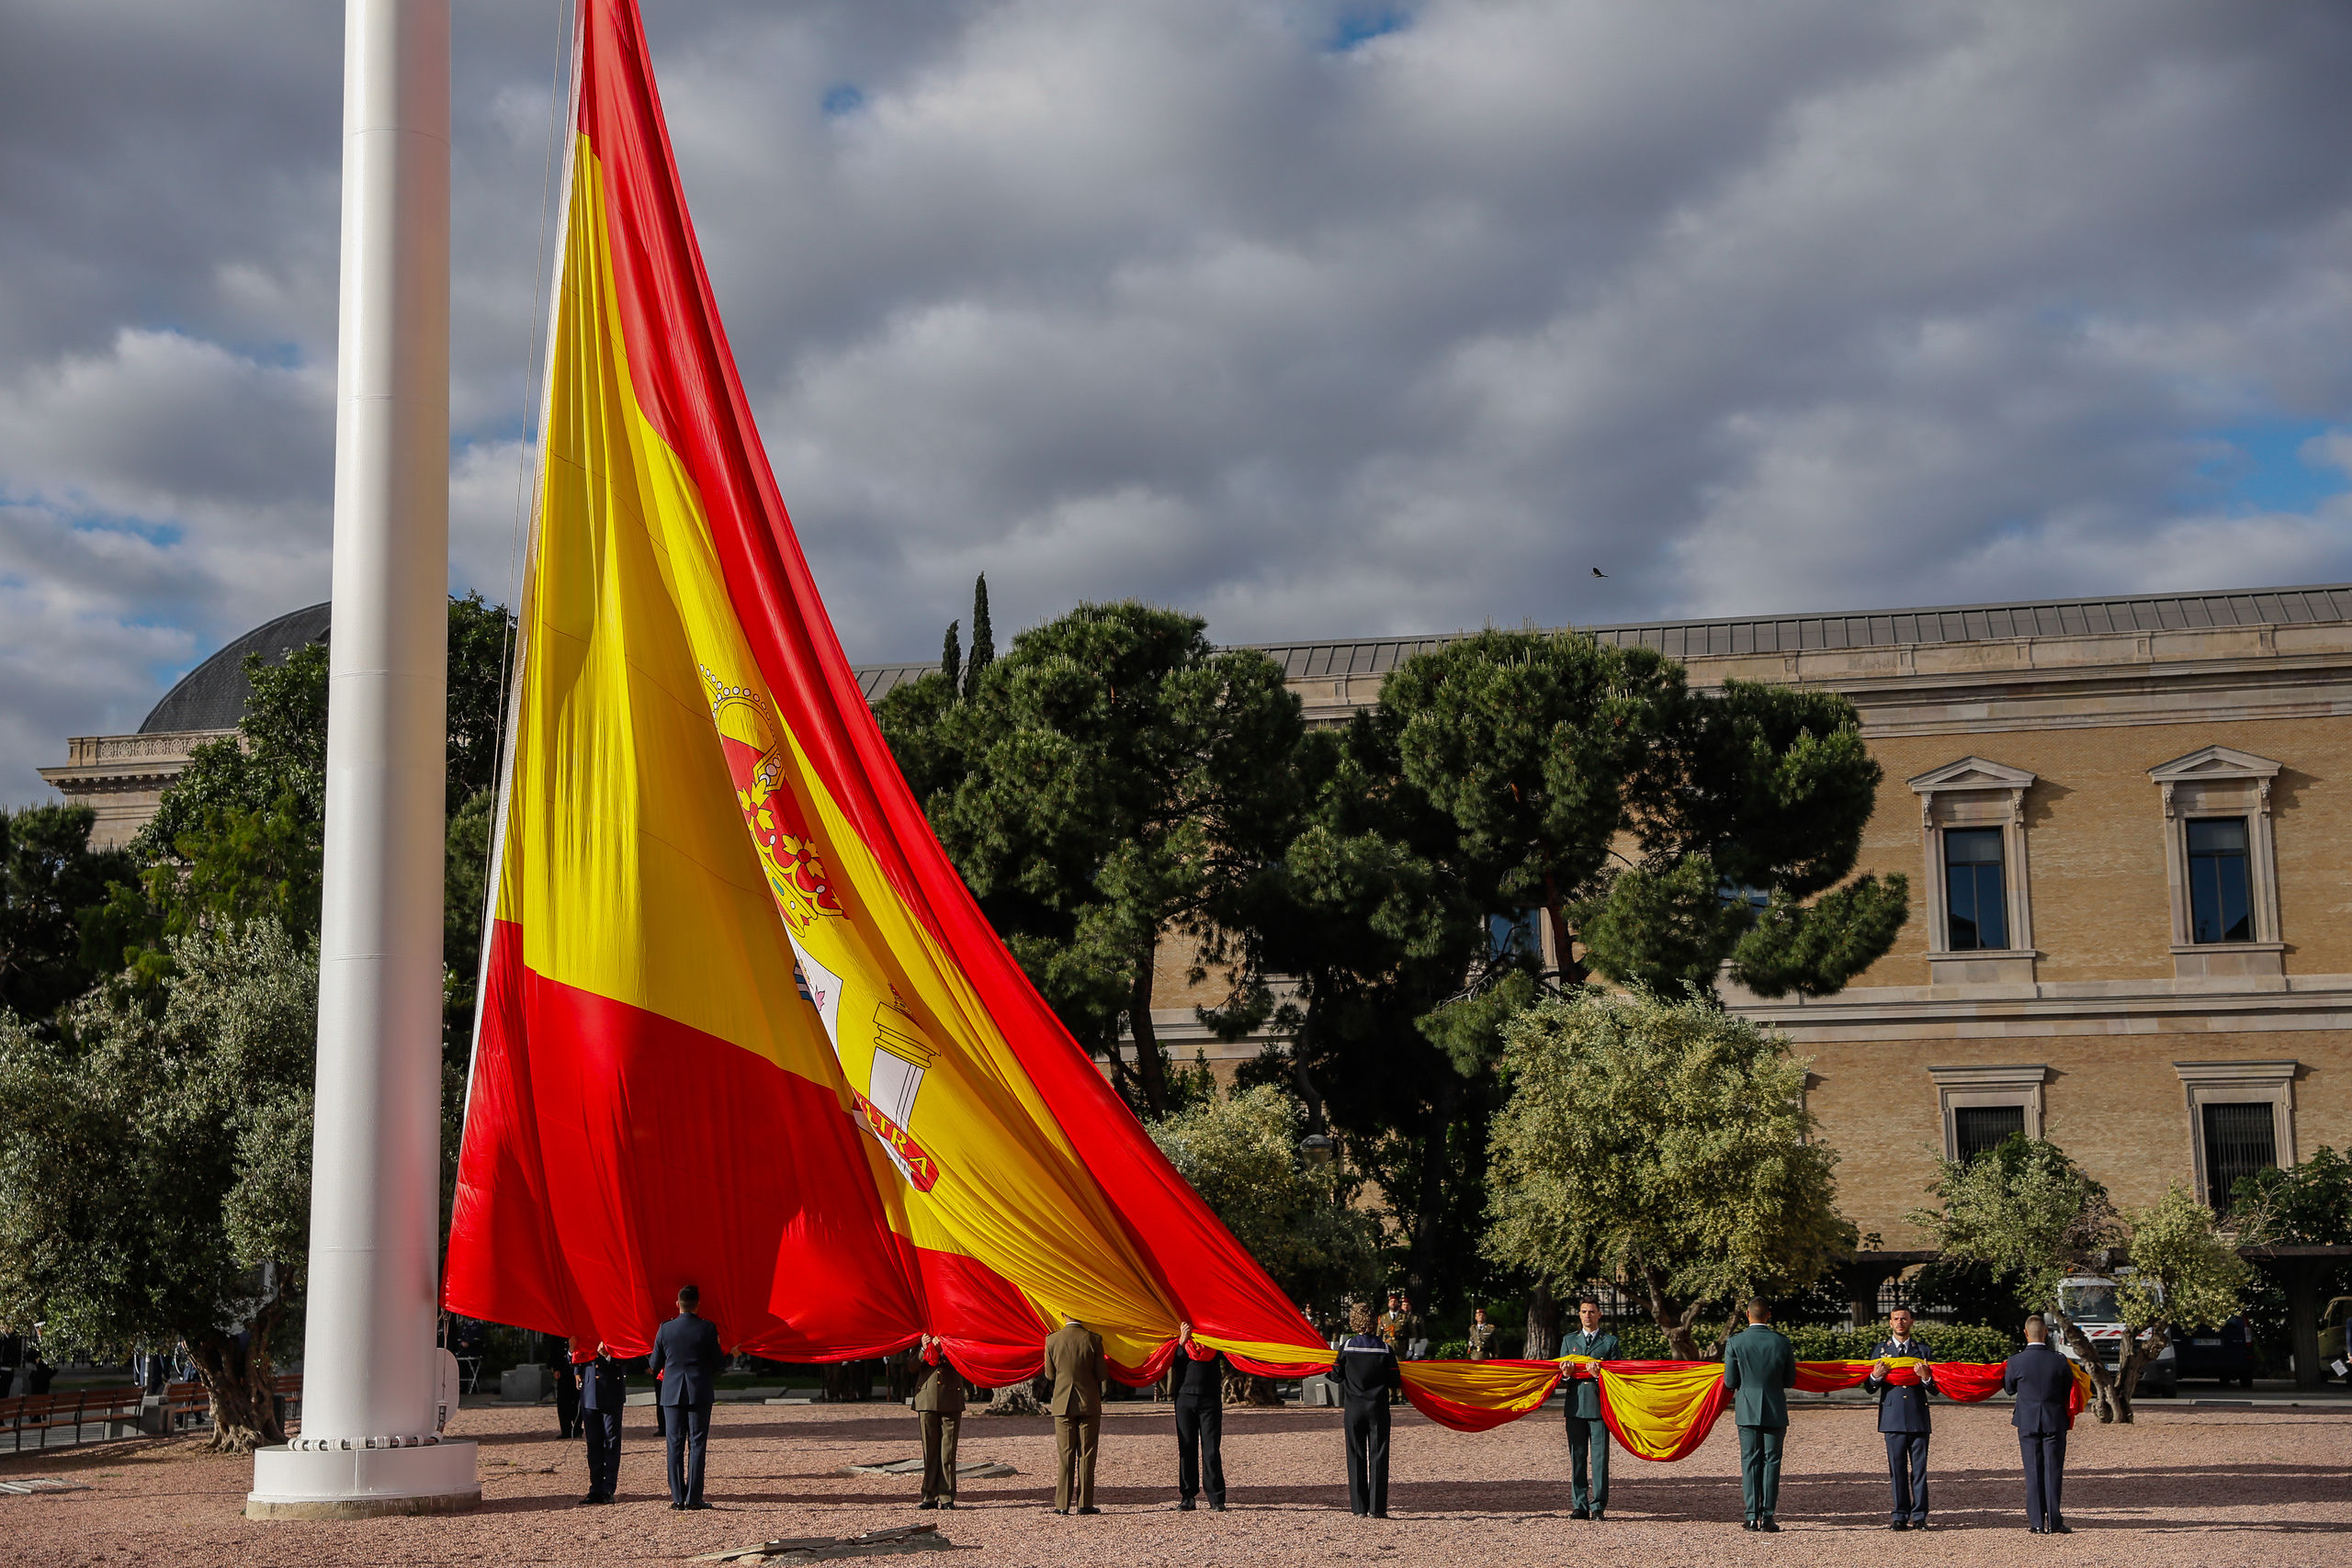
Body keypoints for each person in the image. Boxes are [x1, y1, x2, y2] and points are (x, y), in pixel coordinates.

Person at [1723, 1297, 1795, 1532]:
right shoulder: (1782, 1342)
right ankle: (1769, 1517)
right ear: (1769, 1315)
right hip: (1774, 1408)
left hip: (1747, 1409)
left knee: (1750, 1462)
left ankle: (1751, 1516)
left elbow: (1730, 1381)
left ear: (1747, 1314)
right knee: (1772, 1463)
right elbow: (1790, 1379)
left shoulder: (1736, 1342)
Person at [650, 1284, 724, 1510]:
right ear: (698, 1305)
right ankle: (693, 1498)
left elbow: (654, 1364)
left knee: (674, 1444)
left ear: (677, 1304)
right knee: (697, 1444)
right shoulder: (707, 1328)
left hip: (672, 1392)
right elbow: (719, 1365)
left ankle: (677, 1497)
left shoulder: (665, 1329)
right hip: (698, 1390)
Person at [1863, 1307, 1938, 1530]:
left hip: (1917, 1416)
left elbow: (1935, 1389)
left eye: (1904, 1318)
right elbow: (1869, 1387)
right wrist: (1875, 1376)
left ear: (1911, 1322)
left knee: (1919, 1470)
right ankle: (1899, 1515)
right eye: (1895, 1319)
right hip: (1892, 1417)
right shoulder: (1881, 1350)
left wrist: (1925, 1378)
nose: (1900, 1322)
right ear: (1890, 1322)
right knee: (1897, 1470)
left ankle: (1920, 1516)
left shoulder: (1922, 1350)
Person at [1325, 1301, 1402, 1517]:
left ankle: (1359, 1508)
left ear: (1354, 1321)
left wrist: (1328, 1371)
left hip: (1353, 1409)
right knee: (1378, 1455)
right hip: (1377, 1408)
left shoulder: (1347, 1347)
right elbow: (1395, 1381)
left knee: (1356, 1455)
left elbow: (1337, 1375)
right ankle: (1377, 1509)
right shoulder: (1385, 1348)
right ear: (1375, 1320)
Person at [2002, 1314, 2075, 1535]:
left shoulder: (2016, 1361)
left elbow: (2009, 1389)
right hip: (2054, 1420)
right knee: (2053, 1471)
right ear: (2046, 1333)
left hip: (2028, 1421)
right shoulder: (2059, 1360)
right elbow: (2067, 1387)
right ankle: (2054, 1521)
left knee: (2033, 1472)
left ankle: (2036, 1522)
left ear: (2025, 1333)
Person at [1561, 1296, 1620, 1521]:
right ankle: (1580, 1505)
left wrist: (1598, 1377)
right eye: (1584, 1311)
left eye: (1592, 1311)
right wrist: (1565, 1375)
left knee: (1599, 1459)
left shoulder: (1610, 1342)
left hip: (1598, 1407)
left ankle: (1598, 1507)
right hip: (1575, 1406)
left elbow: (1617, 1376)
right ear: (1579, 1314)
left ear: (1599, 1314)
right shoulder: (1569, 1340)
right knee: (1577, 1457)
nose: (1588, 1315)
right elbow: (1560, 1376)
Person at [1046, 1315, 1105, 1515]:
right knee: (1087, 1455)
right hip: (1088, 1402)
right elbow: (1101, 1374)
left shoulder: (1052, 1339)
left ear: (1062, 1315)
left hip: (1062, 1402)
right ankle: (1084, 1503)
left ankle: (1062, 1505)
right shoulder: (1094, 1339)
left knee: (1065, 1454)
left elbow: (1049, 1374)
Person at [1169, 1320, 1227, 1512]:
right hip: (1185, 1398)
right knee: (1187, 1448)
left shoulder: (1214, 1340)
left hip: (1209, 1398)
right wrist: (1182, 1341)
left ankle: (1216, 1498)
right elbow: (1172, 1363)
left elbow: (1229, 1355)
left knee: (1211, 1449)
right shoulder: (1181, 1339)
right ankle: (1188, 1496)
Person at [912, 1332, 965, 1511]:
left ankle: (947, 1496)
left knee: (947, 1452)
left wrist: (945, 1348)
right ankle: (929, 1496)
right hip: (926, 1399)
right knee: (930, 1451)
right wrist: (923, 1348)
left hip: (951, 1396)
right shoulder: (921, 1337)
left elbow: (964, 1362)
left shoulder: (955, 1337)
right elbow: (911, 1366)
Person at [577, 1341, 626, 1506]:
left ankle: (608, 1489)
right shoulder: (587, 1331)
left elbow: (628, 1360)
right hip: (590, 1394)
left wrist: (607, 1356)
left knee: (611, 1442)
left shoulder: (616, 1329)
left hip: (611, 1391)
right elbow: (577, 1358)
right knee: (593, 1444)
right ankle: (595, 1488)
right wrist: (571, 1353)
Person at [553, 1338, 581, 1441]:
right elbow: (554, 1350)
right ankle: (565, 1430)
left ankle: (577, 1429)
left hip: (576, 1371)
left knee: (577, 1401)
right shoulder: (558, 1333)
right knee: (563, 1402)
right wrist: (555, 1368)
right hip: (563, 1371)